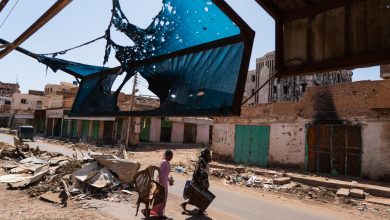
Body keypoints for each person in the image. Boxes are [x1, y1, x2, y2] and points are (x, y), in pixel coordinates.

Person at [181, 148, 212, 214]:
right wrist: (203, 181)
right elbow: (199, 172)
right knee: (201, 194)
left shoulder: (204, 160)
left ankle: (197, 208)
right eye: (207, 153)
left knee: (198, 194)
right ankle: (200, 209)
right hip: (201, 180)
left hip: (202, 179)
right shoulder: (202, 161)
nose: (208, 155)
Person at [149, 149, 174, 219]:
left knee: (163, 198)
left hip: (164, 182)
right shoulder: (164, 162)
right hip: (161, 183)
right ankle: (160, 214)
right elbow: (160, 174)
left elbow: (166, 174)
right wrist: (159, 184)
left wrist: (169, 180)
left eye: (172, 156)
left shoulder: (167, 162)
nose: (172, 157)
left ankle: (161, 213)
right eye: (171, 156)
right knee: (161, 198)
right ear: (167, 155)